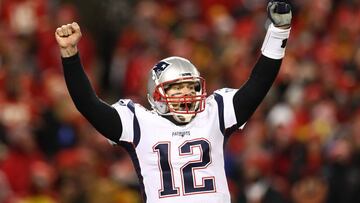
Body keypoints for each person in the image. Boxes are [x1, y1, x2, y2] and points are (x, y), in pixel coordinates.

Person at [55, 1, 292, 202]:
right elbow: (89, 104)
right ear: (157, 94)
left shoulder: (213, 113)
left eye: (192, 87)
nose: (187, 94)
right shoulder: (139, 123)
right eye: (177, 89)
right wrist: (70, 56)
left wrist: (278, 32)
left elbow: (257, 85)